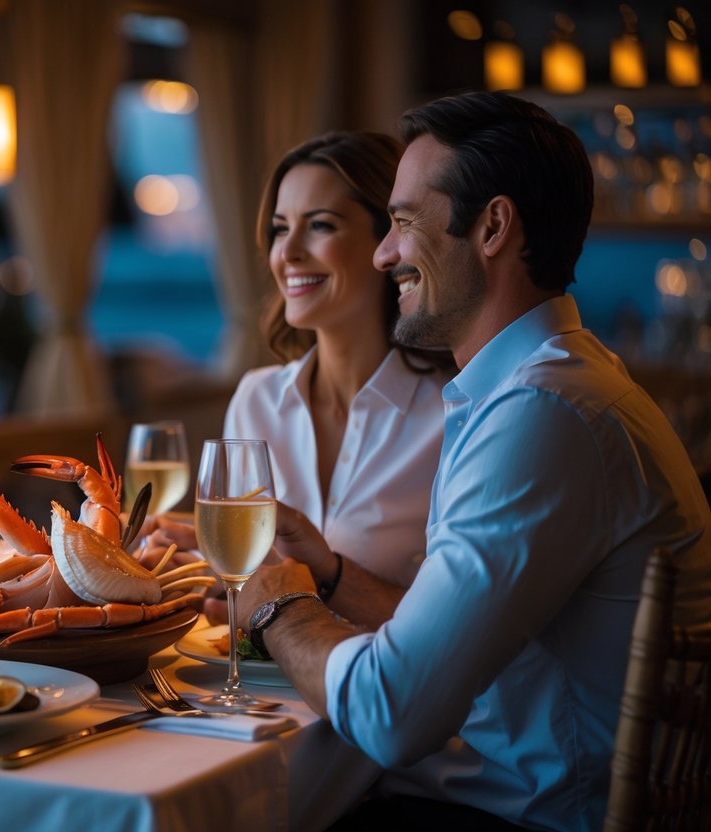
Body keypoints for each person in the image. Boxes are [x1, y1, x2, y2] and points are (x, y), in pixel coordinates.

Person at [235, 91, 711, 831]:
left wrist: (276, 602)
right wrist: (328, 574)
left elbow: (389, 714)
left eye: (399, 223)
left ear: (492, 227)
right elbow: (449, 636)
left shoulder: (542, 417)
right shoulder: (542, 390)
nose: (384, 253)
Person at [140, 131, 451, 620]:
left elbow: (458, 626)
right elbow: (251, 580)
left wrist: (321, 573)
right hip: (263, 693)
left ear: (388, 242)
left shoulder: (451, 413)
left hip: (394, 695)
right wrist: (196, 566)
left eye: (320, 225)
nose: (288, 254)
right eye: (281, 229)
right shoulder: (256, 398)